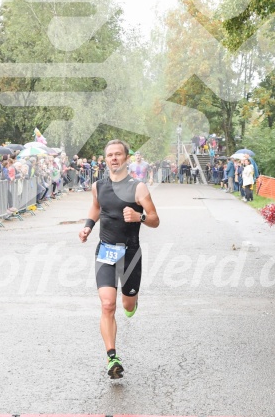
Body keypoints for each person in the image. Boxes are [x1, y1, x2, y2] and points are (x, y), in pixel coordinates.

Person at [78, 139, 160, 379]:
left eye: (118, 154)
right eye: (110, 155)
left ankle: (132, 302)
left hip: (131, 253)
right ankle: (112, 356)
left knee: (127, 305)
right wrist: (87, 227)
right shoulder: (98, 186)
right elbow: (96, 207)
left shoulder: (138, 188)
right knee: (107, 305)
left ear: (126, 158)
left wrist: (139, 216)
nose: (113, 158)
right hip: (105, 251)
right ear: (106, 159)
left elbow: (155, 220)